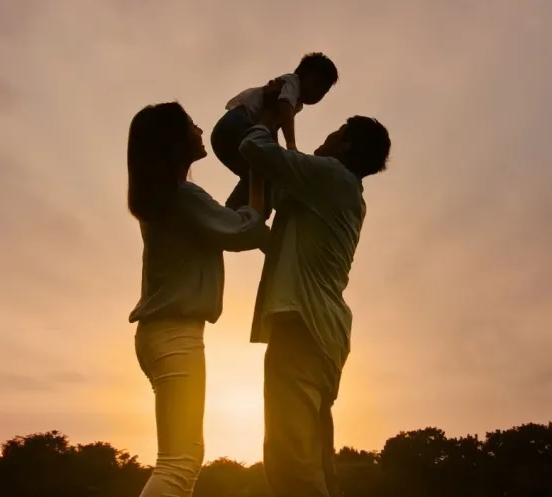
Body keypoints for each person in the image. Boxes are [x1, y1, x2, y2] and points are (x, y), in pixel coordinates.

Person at [236, 107, 391, 497]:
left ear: (348, 144)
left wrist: (265, 114)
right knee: (315, 455)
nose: (328, 137)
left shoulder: (330, 176)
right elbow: (281, 243)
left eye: (337, 132)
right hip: (323, 331)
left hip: (301, 325)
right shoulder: (336, 190)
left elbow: (253, 147)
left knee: (291, 460)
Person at [126, 101, 270, 497]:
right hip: (176, 335)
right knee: (178, 463)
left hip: (161, 335)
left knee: (181, 458)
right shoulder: (182, 196)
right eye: (191, 124)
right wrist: (259, 166)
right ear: (174, 140)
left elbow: (225, 220)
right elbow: (246, 231)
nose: (199, 128)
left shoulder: (170, 199)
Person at [211, 52, 340, 214]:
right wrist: (290, 145)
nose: (318, 94)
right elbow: (285, 110)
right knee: (267, 176)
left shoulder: (296, 102)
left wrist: (275, 150)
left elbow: (270, 128)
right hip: (237, 124)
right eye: (317, 86)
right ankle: (241, 214)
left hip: (229, 134)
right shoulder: (292, 82)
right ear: (304, 75)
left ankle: (234, 213)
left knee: (261, 177)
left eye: (323, 92)